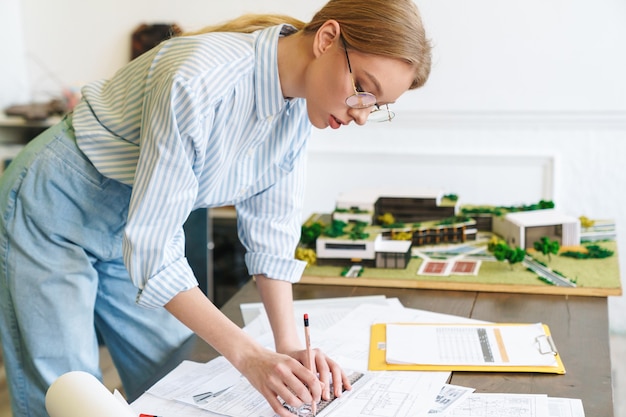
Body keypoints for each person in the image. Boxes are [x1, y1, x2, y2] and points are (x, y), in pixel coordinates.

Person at [0, 0, 432, 416]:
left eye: (377, 107)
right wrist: (250, 357)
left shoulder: (301, 107)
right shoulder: (200, 77)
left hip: (128, 221)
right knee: (67, 394)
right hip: (53, 205)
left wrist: (288, 348)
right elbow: (153, 247)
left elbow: (272, 231)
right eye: (363, 90)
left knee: (172, 374)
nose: (361, 115)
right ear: (327, 38)